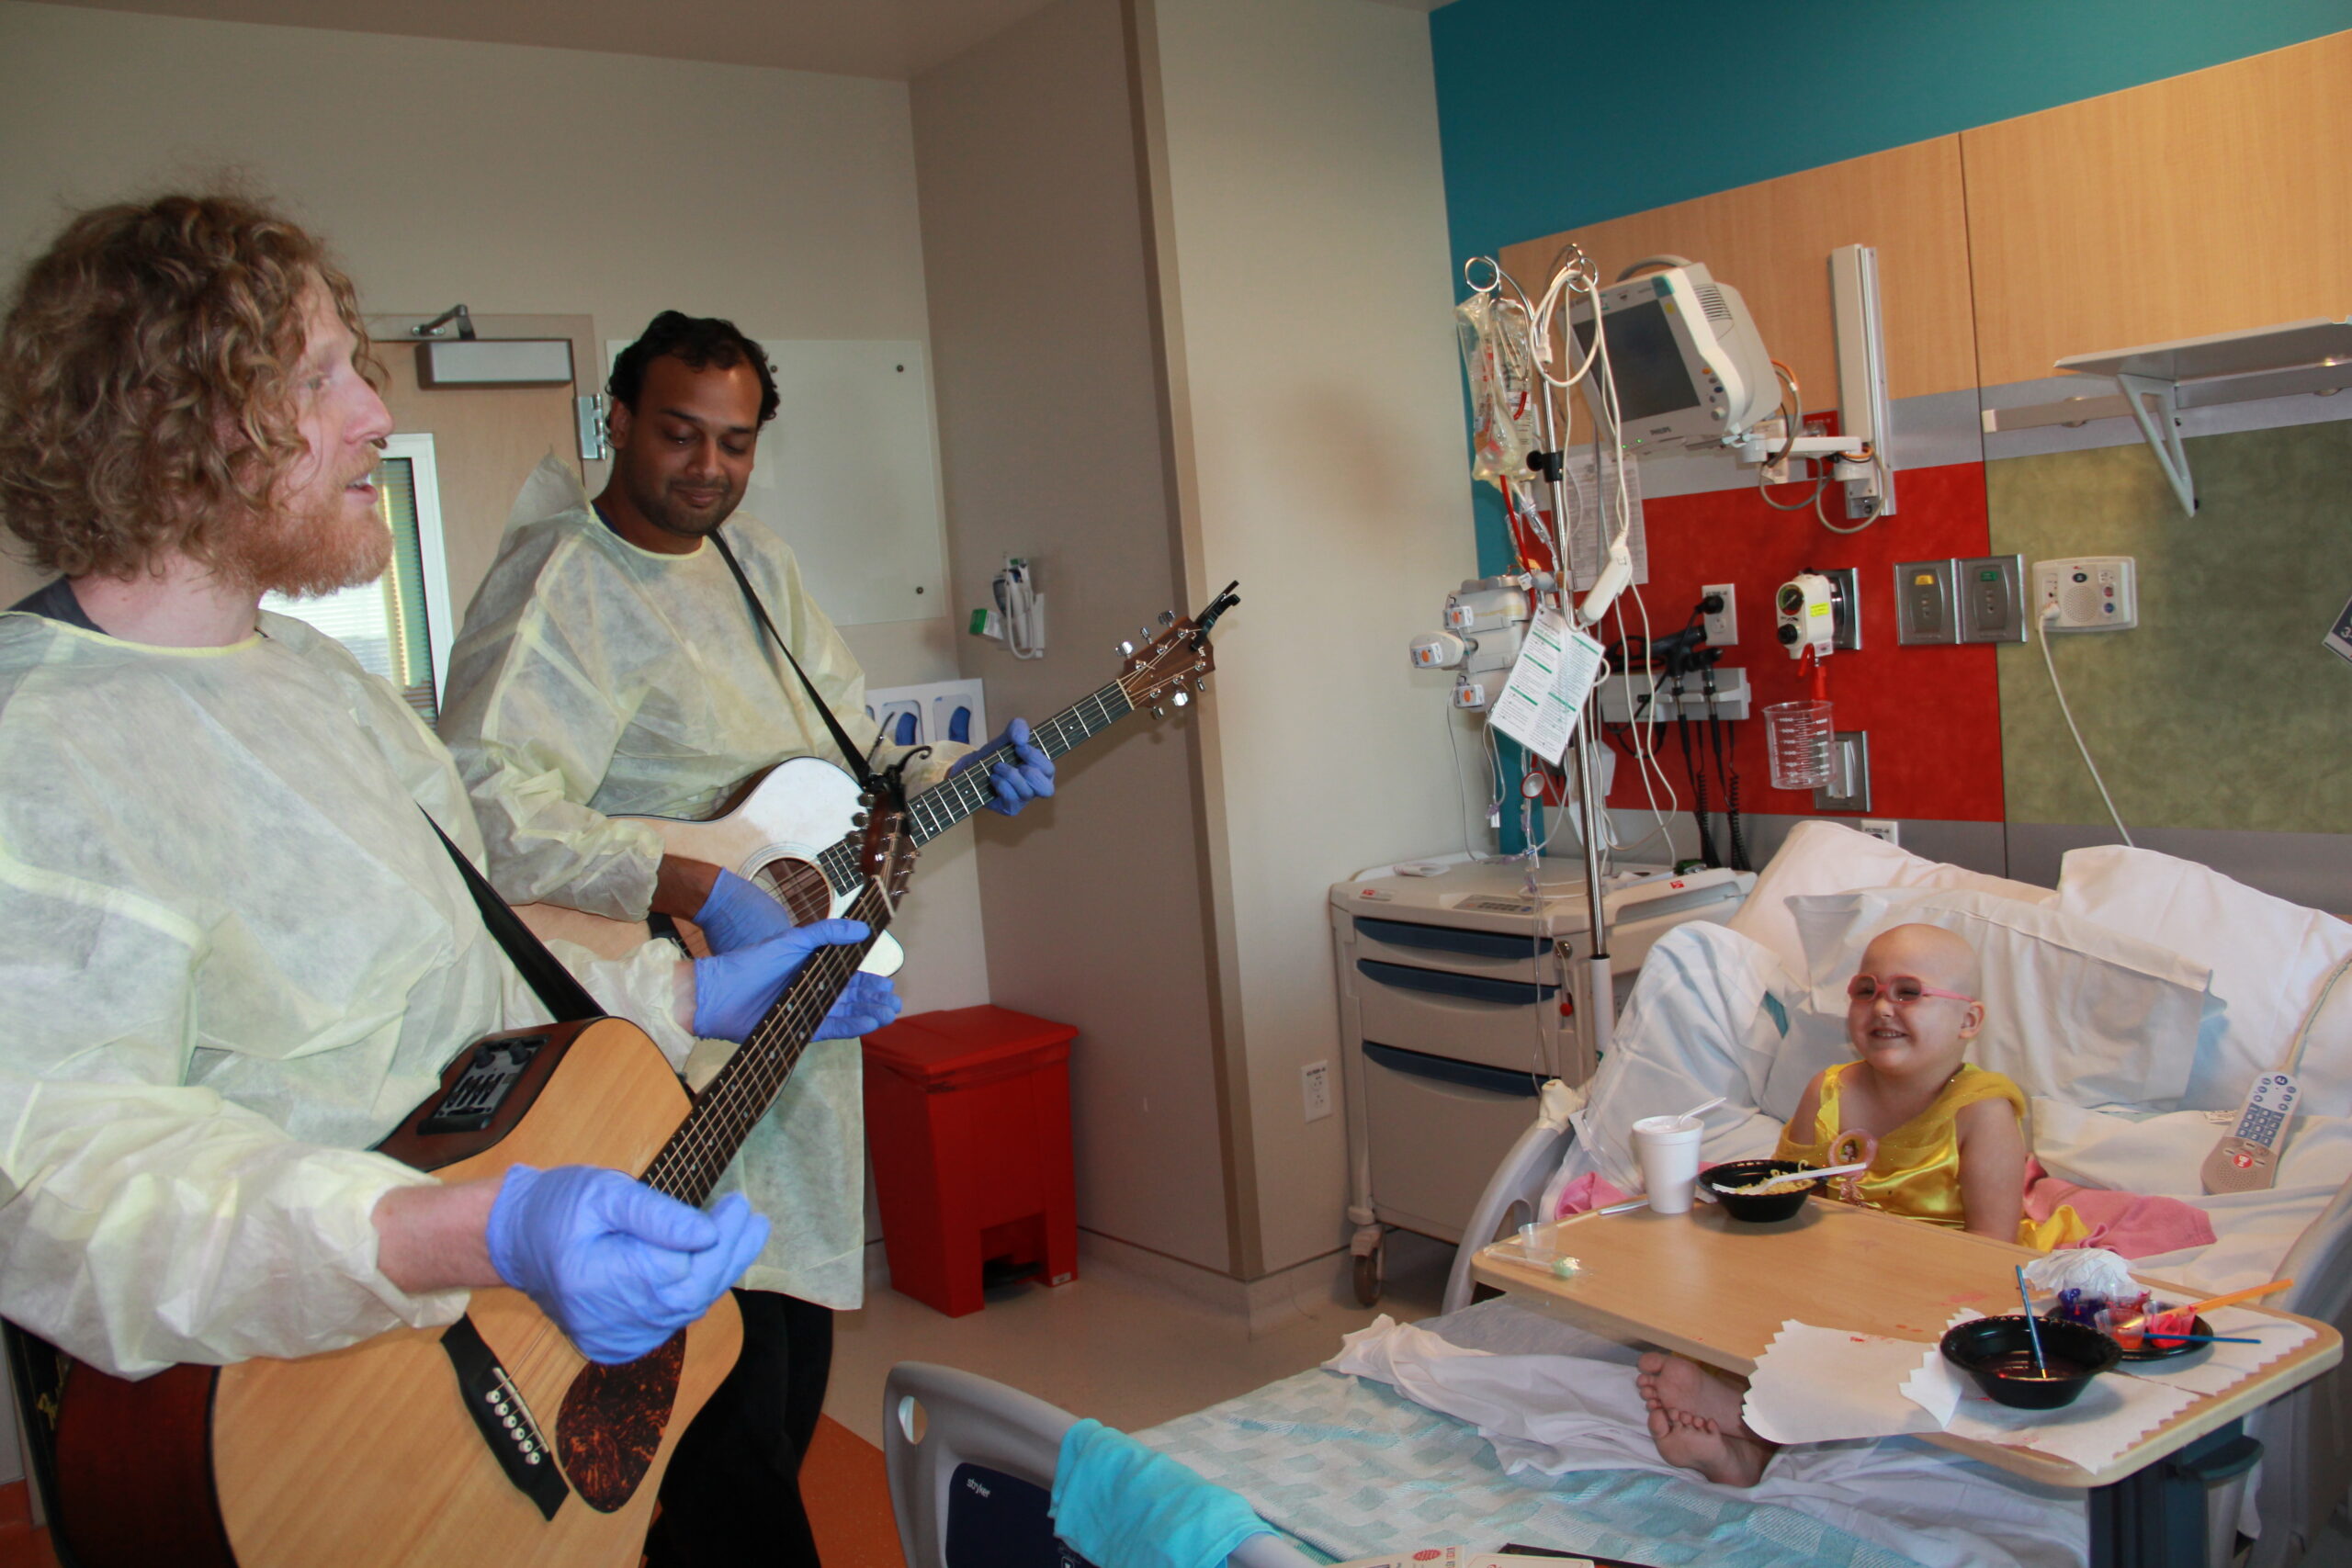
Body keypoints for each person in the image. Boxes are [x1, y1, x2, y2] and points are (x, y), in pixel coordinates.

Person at [0, 192, 890, 1555]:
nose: (373, 410)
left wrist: (686, 994)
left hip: (512, 1350)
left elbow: (480, 966)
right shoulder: (43, 746)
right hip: (337, 1427)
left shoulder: (316, 681)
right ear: (180, 424)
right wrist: (462, 1227)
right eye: (320, 378)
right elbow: (64, 1186)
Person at [434, 310, 1055, 1563]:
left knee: (777, 1380)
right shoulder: (559, 581)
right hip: (652, 1039)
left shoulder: (755, 566)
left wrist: (956, 771)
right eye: (678, 433)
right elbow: (485, 806)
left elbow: (860, 753)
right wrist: (686, 879)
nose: (707, 467)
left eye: (734, 442)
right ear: (616, 421)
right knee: (711, 1417)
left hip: (794, 1055)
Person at [1636, 922, 2047, 1486]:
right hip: (1838, 1271)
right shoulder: (1828, 1092)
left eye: (1908, 992)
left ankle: (1751, 1425)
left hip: (1942, 1284)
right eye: (1866, 990)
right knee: (1743, 1296)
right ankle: (1745, 1440)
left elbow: (1990, 1258)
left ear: (1968, 1021)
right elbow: (1789, 1204)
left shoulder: (1984, 1114)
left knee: (1898, 1357)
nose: (1882, 1007)